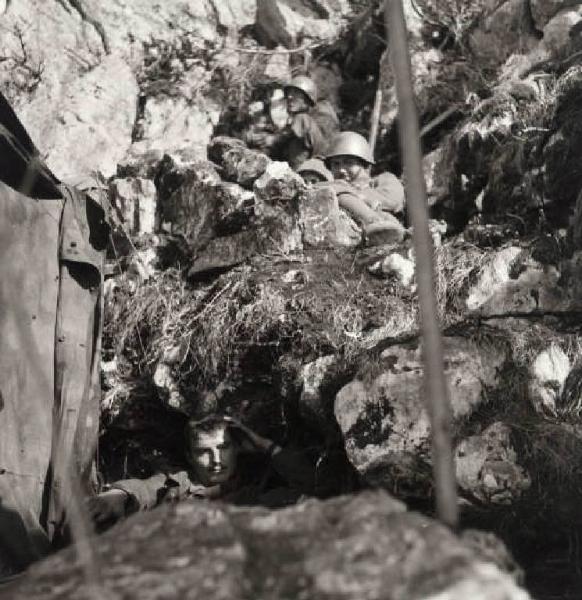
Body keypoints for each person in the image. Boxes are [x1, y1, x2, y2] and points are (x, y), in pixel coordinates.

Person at [88, 415, 315, 526]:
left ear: (238, 449)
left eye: (223, 448)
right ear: (190, 456)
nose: (216, 460)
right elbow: (147, 488)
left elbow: (313, 486)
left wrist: (266, 446)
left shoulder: (254, 491)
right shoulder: (180, 484)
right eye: (204, 451)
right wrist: (117, 494)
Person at [325, 131, 406, 245]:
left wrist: (359, 195)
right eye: (336, 164)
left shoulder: (384, 179)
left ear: (364, 164)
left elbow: (393, 200)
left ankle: (374, 221)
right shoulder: (335, 187)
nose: (341, 169)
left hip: (392, 236)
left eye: (348, 163)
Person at [245, 76, 339, 170]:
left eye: (295, 93)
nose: (289, 97)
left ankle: (297, 172)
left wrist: (274, 139)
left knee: (301, 121)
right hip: (298, 164)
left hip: (322, 163)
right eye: (288, 94)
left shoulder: (321, 110)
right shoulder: (295, 123)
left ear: (307, 97)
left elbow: (326, 143)